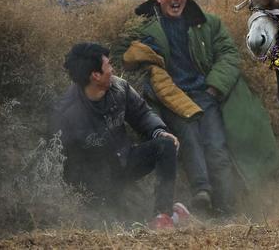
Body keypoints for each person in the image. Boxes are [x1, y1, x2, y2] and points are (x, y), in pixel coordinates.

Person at [126, 0, 279, 216]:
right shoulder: (145, 28)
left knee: (216, 146)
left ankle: (226, 209)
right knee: (189, 139)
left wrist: (213, 87)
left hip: (205, 95)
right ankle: (201, 194)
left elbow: (229, 54)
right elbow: (137, 60)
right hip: (173, 99)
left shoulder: (207, 23)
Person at [50, 42, 187, 229]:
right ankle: (172, 214)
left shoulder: (119, 87)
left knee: (166, 144)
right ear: (95, 75)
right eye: (108, 66)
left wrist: (159, 130)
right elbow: (63, 161)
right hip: (98, 182)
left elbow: (142, 114)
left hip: (126, 160)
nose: (112, 70)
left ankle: (164, 215)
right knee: (116, 224)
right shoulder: (67, 113)